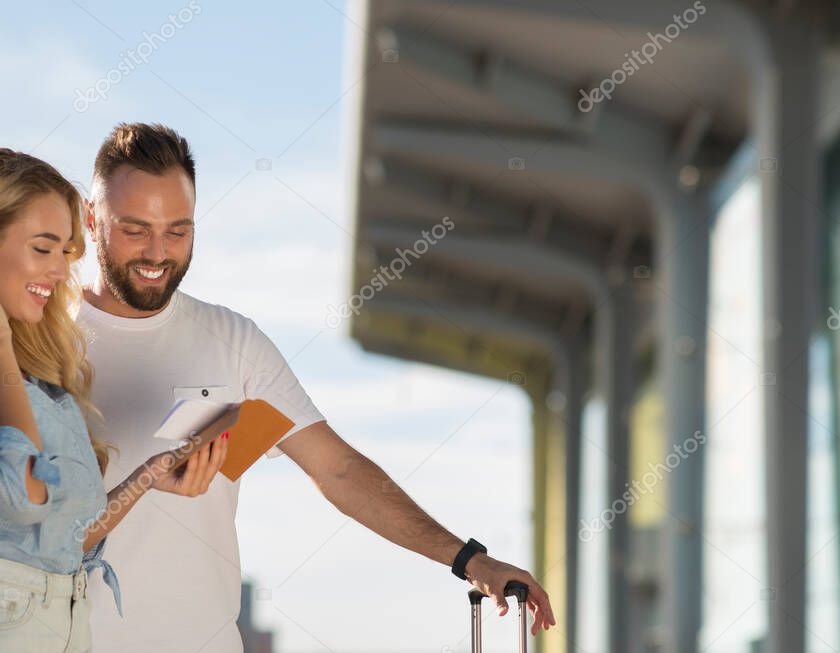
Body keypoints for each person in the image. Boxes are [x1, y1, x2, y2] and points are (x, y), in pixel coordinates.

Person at [81, 123, 557, 652]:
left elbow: (338, 469)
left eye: (178, 230)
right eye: (134, 229)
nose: (157, 252)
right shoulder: (39, 339)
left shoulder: (232, 342)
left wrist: (469, 559)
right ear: (89, 218)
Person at [0, 148, 228, 653]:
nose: (62, 272)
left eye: (66, 253)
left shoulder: (37, 371)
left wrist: (149, 476)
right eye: (43, 249)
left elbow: (68, 537)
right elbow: (23, 497)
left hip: (66, 622)